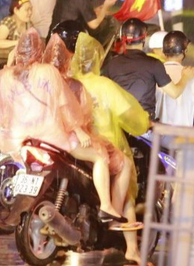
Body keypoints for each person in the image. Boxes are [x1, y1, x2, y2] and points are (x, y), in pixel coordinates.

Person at [0, 29, 128, 225]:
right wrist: (78, 130)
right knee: (98, 157)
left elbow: (0, 109)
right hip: (51, 136)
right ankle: (106, 205)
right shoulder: (47, 72)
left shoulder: (4, 75)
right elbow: (64, 105)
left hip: (16, 137)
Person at [65, 32, 151, 263]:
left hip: (75, 147)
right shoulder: (104, 85)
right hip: (107, 145)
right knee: (128, 197)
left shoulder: (69, 83)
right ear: (97, 58)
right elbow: (132, 117)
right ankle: (131, 248)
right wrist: (146, 122)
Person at [104, 19, 194, 120]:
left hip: (119, 124)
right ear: (144, 39)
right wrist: (185, 77)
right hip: (144, 127)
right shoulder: (154, 64)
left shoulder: (111, 64)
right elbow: (174, 93)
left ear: (122, 38)